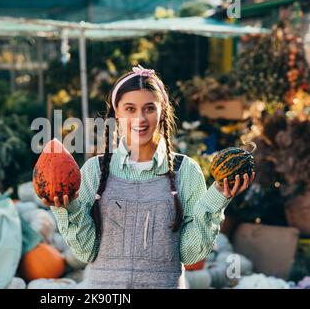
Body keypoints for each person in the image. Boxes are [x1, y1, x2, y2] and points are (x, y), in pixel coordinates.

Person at [43, 65, 255, 289]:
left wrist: (218, 197)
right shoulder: (94, 171)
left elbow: (190, 254)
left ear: (162, 110)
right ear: (117, 111)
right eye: (130, 109)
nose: (140, 118)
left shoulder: (186, 171)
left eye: (149, 108)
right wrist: (66, 207)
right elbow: (86, 252)